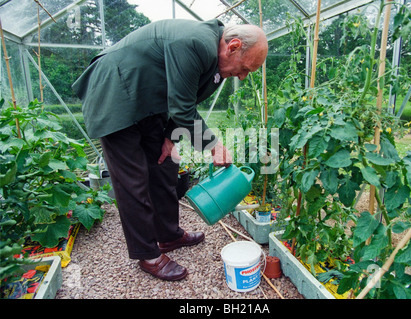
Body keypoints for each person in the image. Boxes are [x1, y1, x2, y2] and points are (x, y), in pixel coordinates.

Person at [72, 19, 268, 281]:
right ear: (233, 46)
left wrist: (169, 136)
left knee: (166, 163)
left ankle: (168, 235)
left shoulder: (218, 63)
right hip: (114, 94)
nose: (243, 76)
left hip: (148, 101)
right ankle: (148, 255)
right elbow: (183, 109)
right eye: (245, 68)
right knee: (133, 180)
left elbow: (187, 98)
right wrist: (213, 145)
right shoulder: (196, 43)